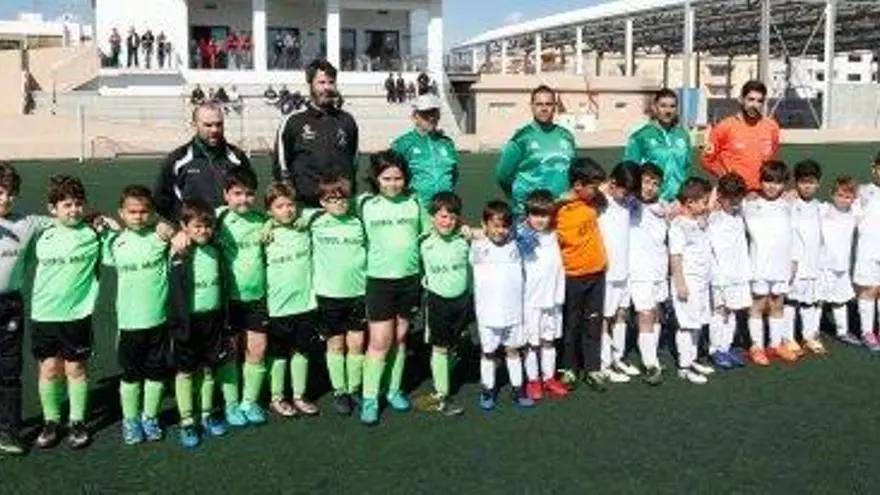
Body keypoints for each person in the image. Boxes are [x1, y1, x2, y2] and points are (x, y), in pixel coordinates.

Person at [31, 176, 102, 450]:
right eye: (67, 205)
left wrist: (103, 222)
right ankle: (51, 421)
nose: (74, 210)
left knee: (75, 368)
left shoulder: (93, 233)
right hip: (44, 314)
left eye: (78, 204)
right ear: (53, 209)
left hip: (76, 316)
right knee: (49, 369)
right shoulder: (42, 233)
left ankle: (77, 421)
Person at [357, 151, 426, 425]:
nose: (393, 184)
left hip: (409, 279)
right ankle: (370, 397)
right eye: (386, 179)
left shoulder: (415, 202)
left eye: (398, 178)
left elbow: (430, 232)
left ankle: (393, 389)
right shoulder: (364, 204)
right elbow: (333, 214)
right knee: (379, 341)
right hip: (379, 281)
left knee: (400, 337)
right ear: (376, 179)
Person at [103, 186, 169, 445]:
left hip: (158, 320)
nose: (138, 216)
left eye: (143, 211)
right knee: (130, 374)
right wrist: (98, 221)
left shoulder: (160, 237)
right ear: (121, 213)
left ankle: (150, 417)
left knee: (155, 373)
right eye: (132, 212)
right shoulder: (114, 242)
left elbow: (179, 233)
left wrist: (166, 226)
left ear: (151, 213)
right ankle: (130, 420)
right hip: (129, 323)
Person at [168, 199, 231, 448]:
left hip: (212, 321)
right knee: (185, 371)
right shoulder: (177, 250)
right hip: (187, 322)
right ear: (184, 226)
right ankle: (186, 420)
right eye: (197, 226)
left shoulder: (216, 249)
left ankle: (206, 413)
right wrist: (174, 236)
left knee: (208, 369)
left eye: (207, 226)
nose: (203, 231)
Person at [304, 174, 366, 416]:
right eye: (332, 199)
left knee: (357, 344)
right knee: (336, 344)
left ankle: (354, 388)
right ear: (322, 202)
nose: (338, 203)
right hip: (328, 295)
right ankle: (340, 390)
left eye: (342, 198)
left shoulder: (358, 222)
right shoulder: (314, 220)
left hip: (358, 293)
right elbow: (284, 215)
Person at [215, 168, 268, 426]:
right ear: (226, 195)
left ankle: (250, 401)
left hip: (257, 297)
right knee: (231, 353)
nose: (243, 199)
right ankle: (231, 404)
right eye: (237, 194)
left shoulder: (262, 220)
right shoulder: (218, 218)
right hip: (228, 300)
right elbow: (190, 222)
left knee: (257, 349)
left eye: (249, 194)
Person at [0, 163, 47, 455]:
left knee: (9, 371)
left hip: (10, 305)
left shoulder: (27, 223)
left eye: (10, 193)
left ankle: (9, 430)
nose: (5, 199)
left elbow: (63, 219)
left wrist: (96, 218)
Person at [263, 182, 319, 417]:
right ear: (269, 211)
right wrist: (268, 224)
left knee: (301, 351)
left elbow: (325, 209)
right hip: (278, 307)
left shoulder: (304, 227)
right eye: (279, 206)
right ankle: (276, 397)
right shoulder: (265, 234)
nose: (286, 210)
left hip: (305, 304)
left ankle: (299, 395)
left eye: (290, 205)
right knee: (278, 354)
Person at [472, 200, 534, 410]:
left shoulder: (516, 244)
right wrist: (474, 232)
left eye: (505, 226)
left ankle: (517, 389)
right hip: (487, 314)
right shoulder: (478, 245)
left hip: (513, 312)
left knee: (513, 350)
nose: (500, 230)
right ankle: (488, 389)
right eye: (495, 225)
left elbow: (530, 231)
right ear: (484, 225)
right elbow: (462, 230)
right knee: (488, 352)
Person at [273, 59, 359, 207]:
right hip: (306, 206)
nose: (327, 87)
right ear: (310, 84)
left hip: (340, 205)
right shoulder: (293, 121)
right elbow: (281, 167)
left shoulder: (347, 120)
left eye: (331, 82)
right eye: (321, 82)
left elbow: (354, 161)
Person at [415, 191, 470, 415]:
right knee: (439, 346)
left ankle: (446, 368)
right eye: (442, 216)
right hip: (437, 301)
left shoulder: (464, 239)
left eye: (452, 217)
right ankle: (441, 393)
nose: (447, 222)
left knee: (454, 343)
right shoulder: (423, 242)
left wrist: (468, 230)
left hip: (462, 301)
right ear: (433, 217)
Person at [556, 158, 608, 391]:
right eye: (592, 187)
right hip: (572, 276)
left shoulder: (593, 202)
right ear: (577, 185)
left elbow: (608, 191)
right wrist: (559, 200)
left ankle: (592, 368)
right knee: (571, 324)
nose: (596, 191)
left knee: (593, 323)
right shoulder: (559, 209)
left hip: (596, 274)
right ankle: (568, 368)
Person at [154, 102, 253, 222]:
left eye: (219, 124)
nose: (214, 130)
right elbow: (162, 199)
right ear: (194, 125)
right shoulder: (178, 159)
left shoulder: (237, 157)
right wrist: (182, 224)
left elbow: (250, 190)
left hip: (231, 229)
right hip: (195, 230)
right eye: (208, 125)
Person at [743, 161, 797, 366]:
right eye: (767, 181)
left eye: (778, 182)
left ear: (785, 184)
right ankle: (757, 346)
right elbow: (726, 201)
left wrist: (794, 261)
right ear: (760, 181)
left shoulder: (789, 204)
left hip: (781, 264)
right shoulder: (749, 203)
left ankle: (775, 344)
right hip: (758, 265)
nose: (772, 186)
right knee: (758, 304)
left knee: (777, 303)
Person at [518, 190, 569, 400]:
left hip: (553, 300)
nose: (540, 219)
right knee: (532, 343)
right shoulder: (522, 236)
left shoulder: (555, 234)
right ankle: (533, 380)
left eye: (545, 215)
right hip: (530, 301)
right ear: (527, 215)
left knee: (549, 341)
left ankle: (549, 377)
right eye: (535, 214)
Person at [495, 85, 577, 213]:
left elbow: (574, 171)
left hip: (562, 211)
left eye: (548, 104)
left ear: (555, 106)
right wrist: (520, 201)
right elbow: (503, 176)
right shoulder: (521, 137)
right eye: (539, 104)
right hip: (531, 214)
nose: (544, 108)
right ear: (532, 106)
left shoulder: (567, 136)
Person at [669, 177, 716, 385]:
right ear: (689, 203)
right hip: (688, 282)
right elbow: (675, 256)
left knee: (697, 323)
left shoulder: (698, 221)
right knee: (687, 325)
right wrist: (680, 283)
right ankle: (684, 366)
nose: (706, 206)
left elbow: (710, 209)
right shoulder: (678, 226)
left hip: (702, 282)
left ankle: (693, 359)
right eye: (703, 202)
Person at [597, 163, 640, 384]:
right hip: (607, 271)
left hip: (626, 269)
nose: (629, 197)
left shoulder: (629, 201)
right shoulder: (599, 201)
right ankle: (604, 364)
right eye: (626, 192)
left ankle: (618, 358)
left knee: (622, 314)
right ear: (613, 184)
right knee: (605, 318)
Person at [628, 163, 668, 384]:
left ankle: (653, 355)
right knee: (645, 314)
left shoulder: (664, 207)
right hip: (638, 272)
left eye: (655, 183)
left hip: (659, 271)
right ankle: (650, 363)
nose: (650, 187)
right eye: (646, 182)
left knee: (657, 313)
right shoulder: (628, 204)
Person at [707, 173, 750, 370]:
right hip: (720, 276)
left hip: (738, 273)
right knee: (720, 311)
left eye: (737, 197)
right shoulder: (713, 218)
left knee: (732, 311)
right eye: (729, 197)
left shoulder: (740, 215)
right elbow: (705, 213)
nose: (734, 202)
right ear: (720, 197)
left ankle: (726, 346)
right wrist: (714, 195)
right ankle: (715, 349)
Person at [703, 80, 780, 192]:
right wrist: (725, 177)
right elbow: (707, 159)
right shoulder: (724, 127)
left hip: (762, 193)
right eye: (751, 99)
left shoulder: (772, 127)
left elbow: (772, 157)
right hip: (733, 193)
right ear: (741, 99)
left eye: (759, 101)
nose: (754, 105)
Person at [622, 89, 692, 202]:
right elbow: (629, 170)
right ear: (655, 107)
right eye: (663, 106)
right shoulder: (641, 136)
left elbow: (686, 167)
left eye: (672, 106)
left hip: (678, 201)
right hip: (652, 200)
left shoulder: (683, 135)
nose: (668, 111)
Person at [390, 94, 459, 207]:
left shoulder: (447, 143)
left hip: (444, 208)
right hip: (415, 206)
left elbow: (454, 174)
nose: (431, 117)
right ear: (415, 116)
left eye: (434, 112)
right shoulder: (403, 143)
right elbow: (391, 175)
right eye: (426, 113)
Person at [786, 160, 825, 355]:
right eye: (803, 182)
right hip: (794, 263)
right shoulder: (789, 204)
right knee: (791, 300)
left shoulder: (821, 207)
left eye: (811, 182)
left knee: (810, 300)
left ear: (818, 183)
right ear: (796, 182)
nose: (807, 186)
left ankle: (809, 336)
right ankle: (788, 337)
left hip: (814, 262)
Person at [820, 176, 858, 345]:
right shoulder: (823, 209)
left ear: (854, 198)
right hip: (821, 265)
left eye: (848, 197)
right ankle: (810, 332)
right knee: (817, 300)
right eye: (840, 195)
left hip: (841, 267)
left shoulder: (855, 212)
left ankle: (842, 332)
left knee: (840, 300)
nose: (843, 200)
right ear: (832, 194)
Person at [853, 153, 880, 350]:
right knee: (868, 290)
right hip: (868, 249)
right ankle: (867, 332)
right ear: (874, 168)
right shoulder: (862, 192)